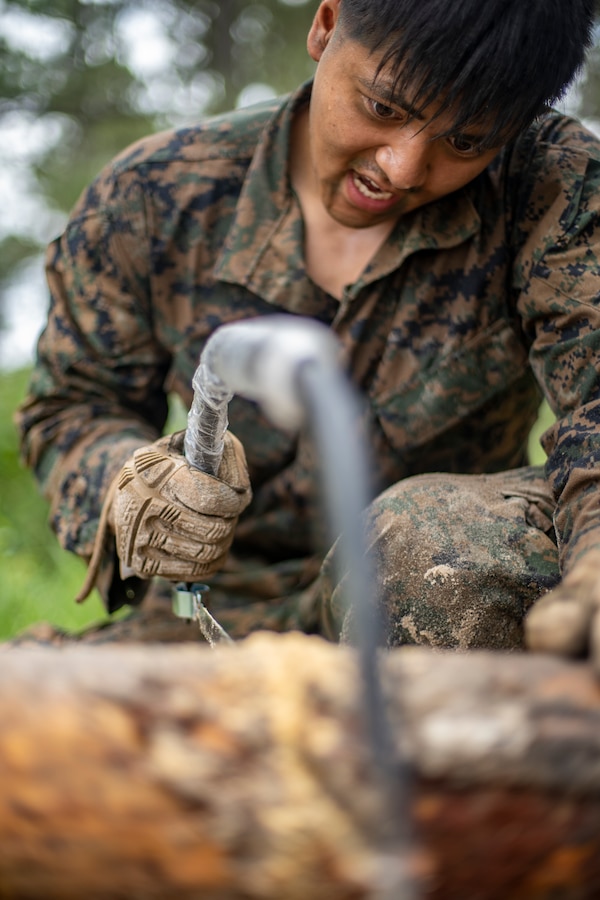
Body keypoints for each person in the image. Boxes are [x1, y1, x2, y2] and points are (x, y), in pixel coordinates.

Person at [15, 0, 600, 662]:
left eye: (464, 142)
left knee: (423, 539)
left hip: (430, 609)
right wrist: (128, 490)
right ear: (326, 26)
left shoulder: (552, 185)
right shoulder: (154, 197)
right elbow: (73, 406)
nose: (401, 168)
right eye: (384, 107)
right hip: (205, 618)